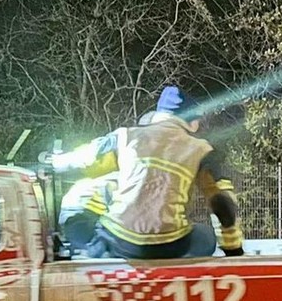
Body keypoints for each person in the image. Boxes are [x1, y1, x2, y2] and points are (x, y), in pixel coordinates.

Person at [45, 86, 244, 259]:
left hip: (121, 241)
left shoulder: (127, 136)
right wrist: (234, 248)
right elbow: (223, 203)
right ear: (193, 122)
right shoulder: (201, 150)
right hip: (172, 245)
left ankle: (94, 249)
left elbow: (86, 157)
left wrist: (55, 161)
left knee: (78, 195)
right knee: (205, 236)